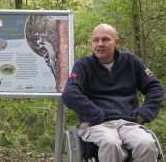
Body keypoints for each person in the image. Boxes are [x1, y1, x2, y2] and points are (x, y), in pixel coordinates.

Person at [62, 24, 164, 162]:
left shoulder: (130, 61)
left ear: (116, 42)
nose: (100, 44)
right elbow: (70, 93)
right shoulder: (84, 65)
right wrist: (95, 114)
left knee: (146, 143)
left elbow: (156, 88)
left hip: (128, 123)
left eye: (105, 39)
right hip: (98, 125)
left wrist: (142, 115)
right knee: (111, 143)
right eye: (96, 40)